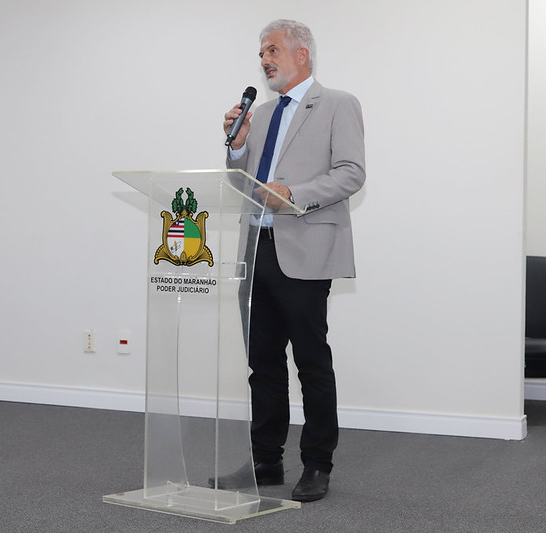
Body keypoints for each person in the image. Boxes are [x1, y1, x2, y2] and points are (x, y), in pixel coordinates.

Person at [223, 19, 365, 502]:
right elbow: (241, 177)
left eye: (272, 50)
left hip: (303, 251)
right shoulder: (259, 114)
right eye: (261, 52)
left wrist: (295, 194)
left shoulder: (338, 104)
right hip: (256, 249)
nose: (264, 59)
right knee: (261, 364)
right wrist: (237, 145)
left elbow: (351, 173)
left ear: (301, 54)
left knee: (310, 362)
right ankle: (265, 461)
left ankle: (317, 464)